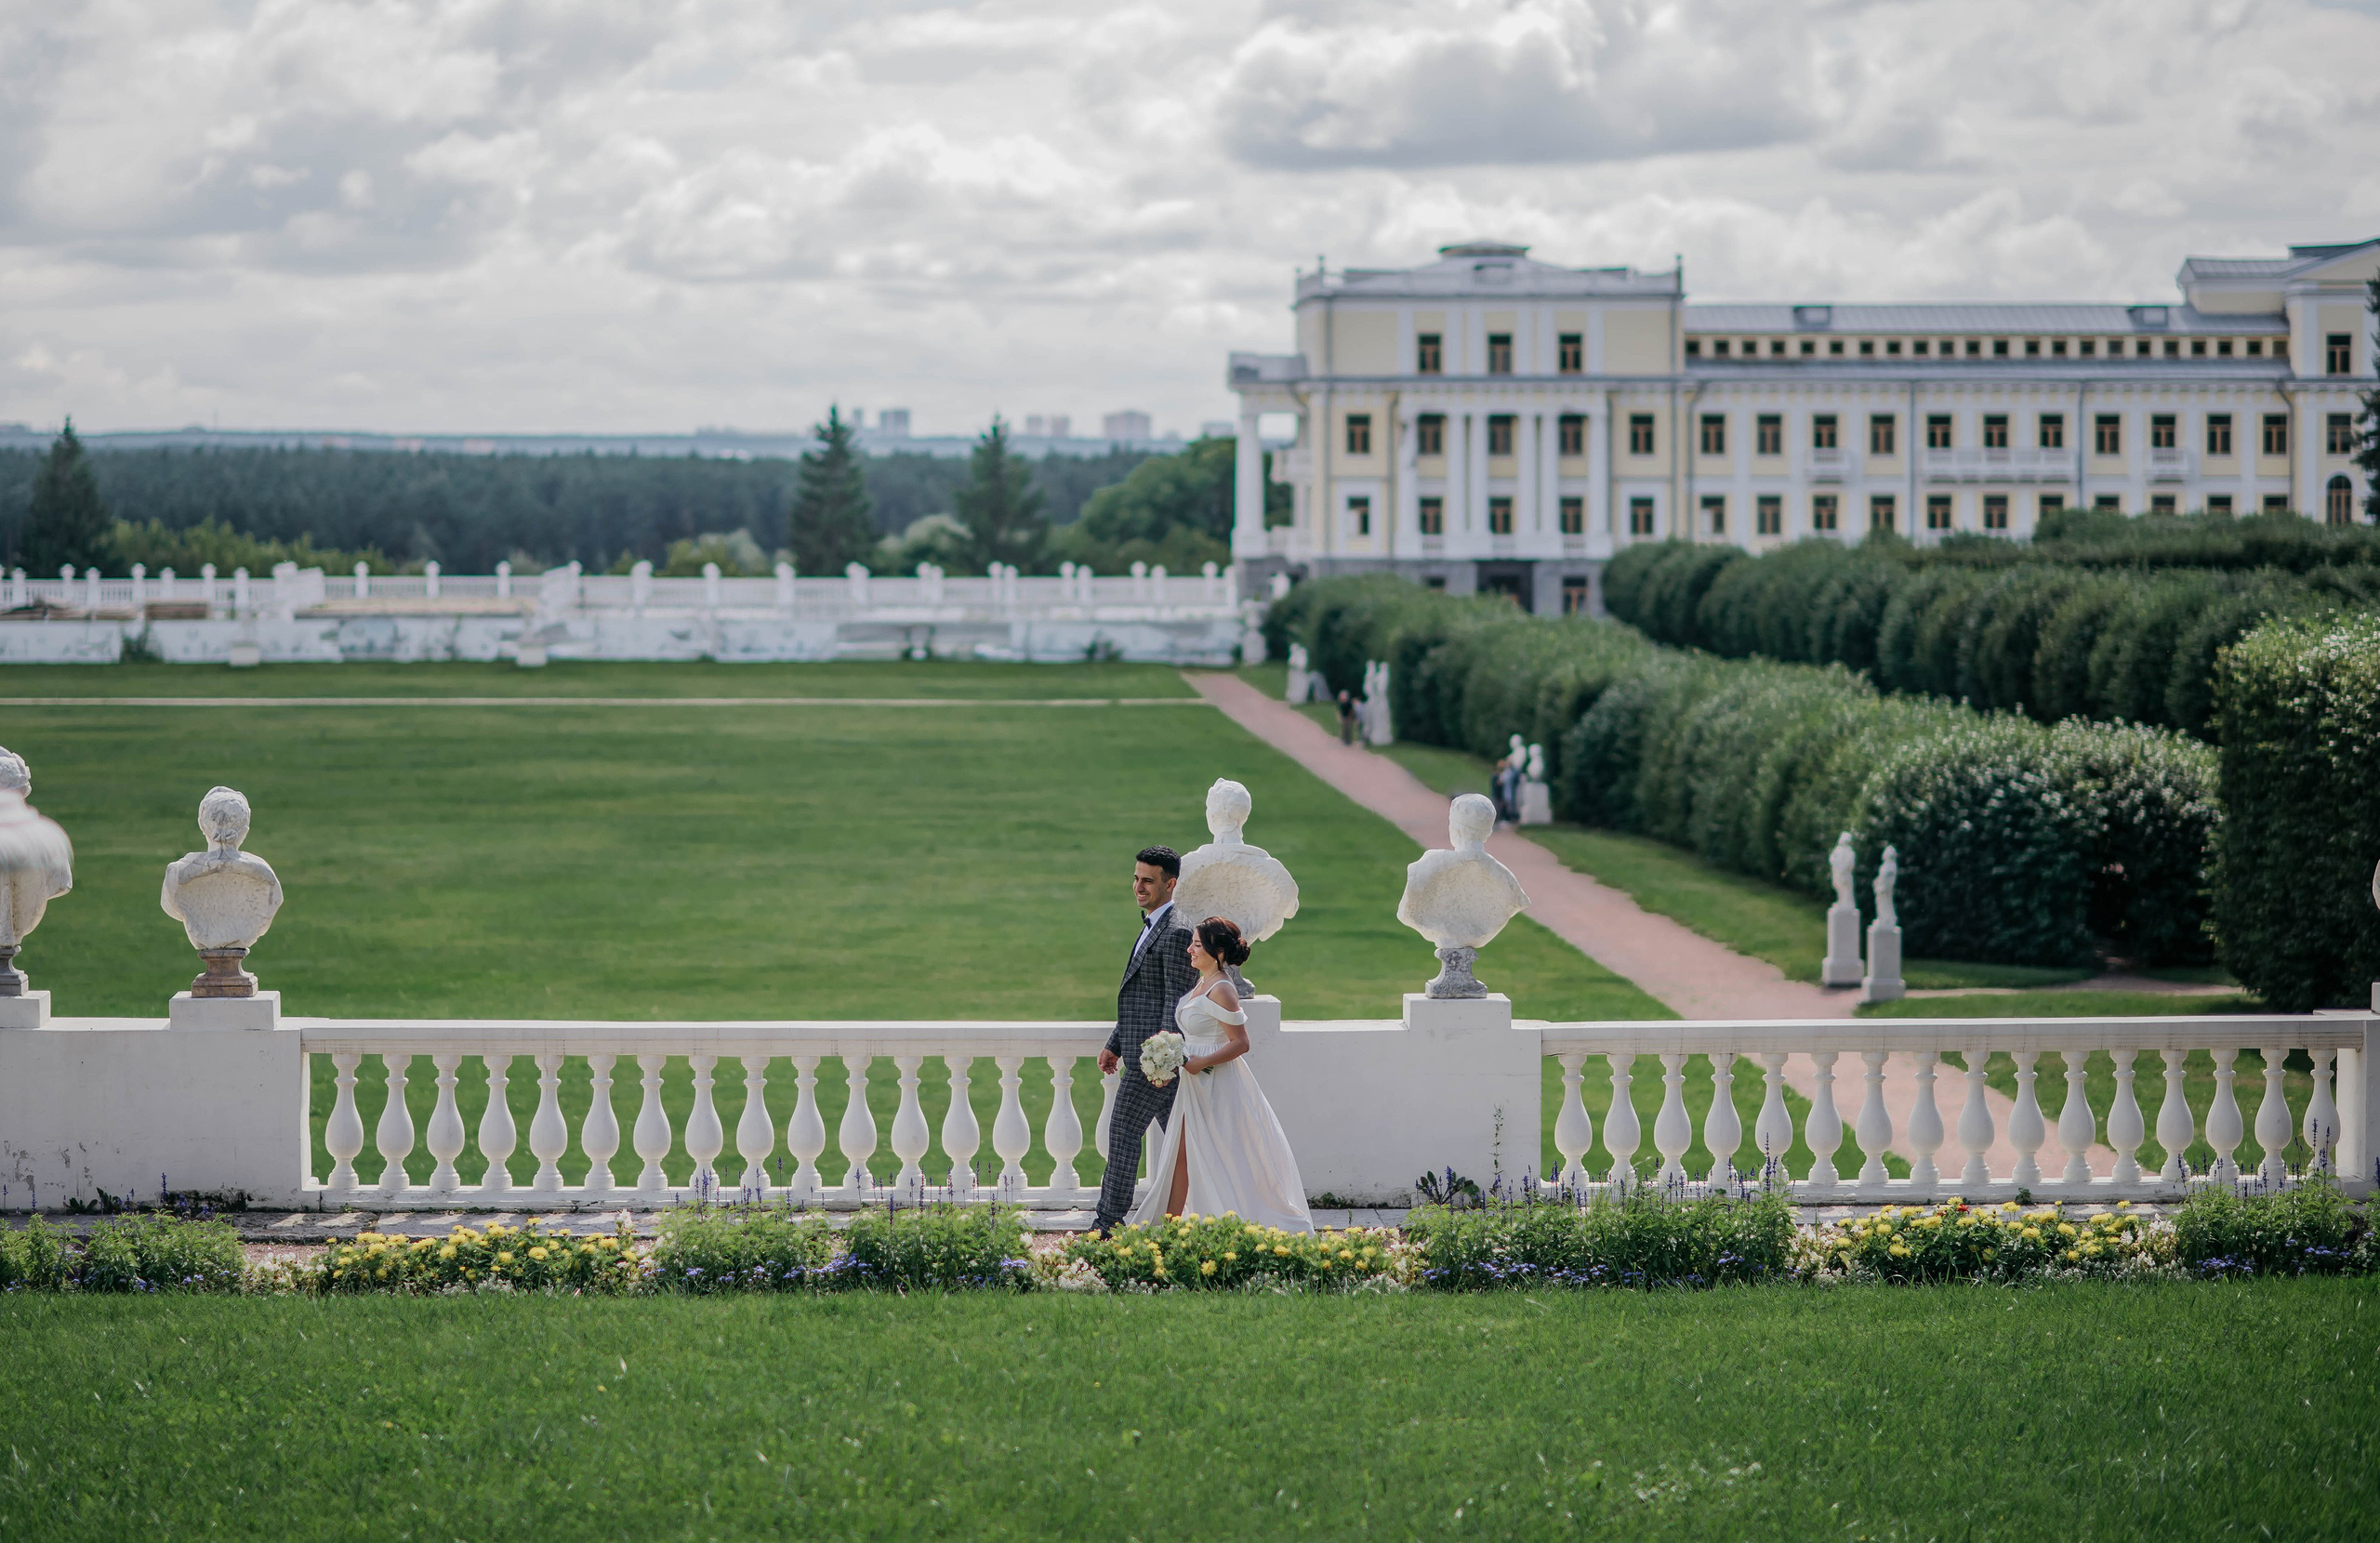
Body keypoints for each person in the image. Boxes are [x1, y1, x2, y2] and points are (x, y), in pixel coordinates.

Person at [1128, 917, 1312, 1233]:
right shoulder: (1202, 982)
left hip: (1217, 1084)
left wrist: (1200, 1062)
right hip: (1194, 1083)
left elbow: (1241, 1042)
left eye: (1197, 945)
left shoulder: (1223, 988)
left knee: (1224, 1154)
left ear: (1219, 952)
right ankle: (1167, 1230)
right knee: (1181, 1155)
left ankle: (1237, 1220)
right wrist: (1168, 1054)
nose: (1189, 950)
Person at [1093, 845, 1199, 1234]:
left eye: (1148, 881)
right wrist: (1115, 1042)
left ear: (1170, 884)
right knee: (1191, 1144)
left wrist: (1160, 1063)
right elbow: (1141, 995)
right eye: (1136, 878)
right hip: (1145, 1055)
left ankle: (1106, 1226)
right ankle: (1217, 1212)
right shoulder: (1154, 923)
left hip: (1154, 1064)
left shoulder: (1176, 931)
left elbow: (1174, 1002)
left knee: (1122, 1137)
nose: (1138, 886)